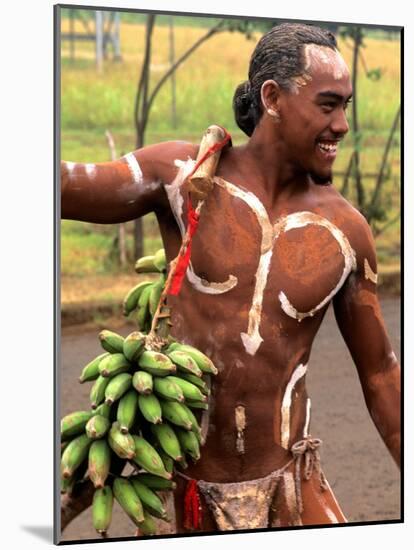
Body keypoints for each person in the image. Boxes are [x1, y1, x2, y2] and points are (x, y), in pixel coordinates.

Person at [61, 22, 400, 532]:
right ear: (273, 98)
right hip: (184, 492)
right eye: (328, 105)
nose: (343, 125)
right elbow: (65, 186)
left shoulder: (346, 233)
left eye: (346, 106)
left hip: (291, 487)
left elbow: (380, 375)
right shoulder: (183, 177)